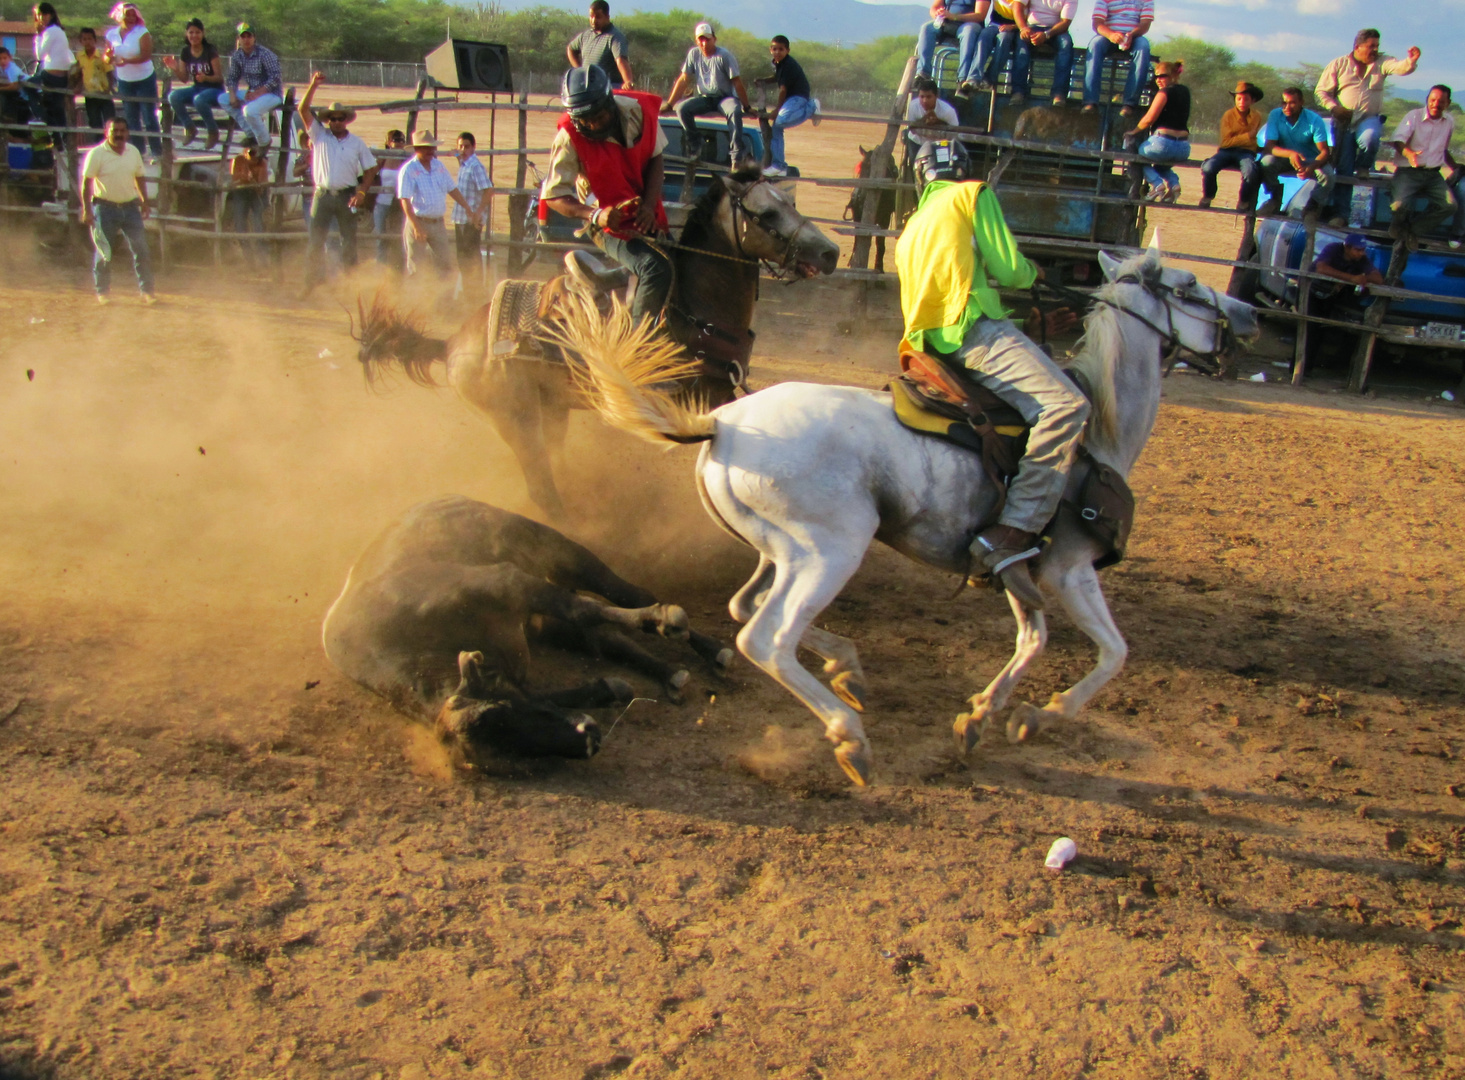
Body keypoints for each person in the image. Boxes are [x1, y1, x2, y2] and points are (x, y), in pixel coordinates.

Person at [895, 138, 1087, 609]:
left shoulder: (911, 228)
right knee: (1066, 406)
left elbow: (950, 293)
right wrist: (1032, 272)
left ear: (921, 178)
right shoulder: (972, 195)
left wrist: (1027, 328)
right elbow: (1009, 269)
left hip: (929, 346)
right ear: (962, 171)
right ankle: (1012, 531)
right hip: (973, 329)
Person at [543, 65, 671, 324]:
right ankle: (638, 344)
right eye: (583, 120)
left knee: (680, 260)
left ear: (610, 103)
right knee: (655, 268)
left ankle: (609, 278)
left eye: (598, 116)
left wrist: (648, 205)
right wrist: (595, 215)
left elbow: (657, 159)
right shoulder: (568, 137)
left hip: (644, 212)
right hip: (603, 222)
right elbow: (554, 196)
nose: (592, 124)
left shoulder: (640, 112)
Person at [1315, 29, 1421, 226]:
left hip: (1369, 117)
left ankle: (1364, 165)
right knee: (1344, 169)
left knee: (1371, 138)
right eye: (1371, 46)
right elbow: (1321, 92)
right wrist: (1334, 108)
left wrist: (1411, 61)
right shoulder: (1339, 64)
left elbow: (1400, 67)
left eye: (1377, 46)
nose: (1375, 50)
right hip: (1345, 120)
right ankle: (1341, 214)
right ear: (1358, 47)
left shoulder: (1382, 62)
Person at [297, 71, 379, 289]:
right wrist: (313, 85)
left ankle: (350, 284)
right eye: (332, 118)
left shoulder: (357, 143)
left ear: (345, 120)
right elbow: (302, 110)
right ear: (328, 120)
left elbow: (371, 168)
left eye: (340, 118)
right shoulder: (319, 135)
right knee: (315, 241)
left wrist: (361, 192)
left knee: (349, 242)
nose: (336, 121)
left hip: (347, 195)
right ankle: (311, 283)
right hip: (322, 194)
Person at [80, 116, 154, 304]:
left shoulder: (133, 152)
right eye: (115, 131)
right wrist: (87, 210)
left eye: (122, 131)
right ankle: (102, 292)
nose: (119, 134)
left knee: (141, 249)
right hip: (105, 208)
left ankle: (147, 292)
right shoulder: (96, 154)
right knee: (105, 251)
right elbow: (86, 183)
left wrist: (144, 201)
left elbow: (139, 177)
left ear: (127, 133)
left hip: (130, 207)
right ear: (107, 133)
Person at [662, 23, 752, 169]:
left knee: (734, 111)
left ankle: (736, 156)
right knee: (682, 109)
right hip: (705, 98)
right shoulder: (694, 54)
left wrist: (747, 106)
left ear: (714, 39)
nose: (704, 43)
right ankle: (695, 145)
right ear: (696, 40)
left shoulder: (724, 56)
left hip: (725, 97)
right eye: (701, 39)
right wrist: (670, 104)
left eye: (707, 39)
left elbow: (737, 83)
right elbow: (684, 79)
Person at [397, 129, 479, 278]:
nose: (431, 150)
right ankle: (415, 299)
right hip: (419, 221)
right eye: (426, 147)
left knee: (445, 264)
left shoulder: (438, 166)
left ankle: (443, 299)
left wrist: (467, 208)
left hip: (438, 223)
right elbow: (405, 200)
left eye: (432, 147)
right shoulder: (409, 170)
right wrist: (416, 226)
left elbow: (452, 188)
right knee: (416, 266)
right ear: (417, 149)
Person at [1388, 85, 1458, 247]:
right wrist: (1409, 154)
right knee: (1398, 206)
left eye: (1441, 101)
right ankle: (1400, 227)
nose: (1435, 104)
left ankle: (1412, 230)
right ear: (1427, 100)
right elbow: (1398, 141)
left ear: (1448, 103)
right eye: (1432, 100)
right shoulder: (1413, 116)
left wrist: (1455, 167)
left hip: (1433, 175)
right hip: (1408, 172)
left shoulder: (1449, 122)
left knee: (1449, 206)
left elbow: (1444, 149)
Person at [1257, 86, 1332, 216]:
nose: (1287, 107)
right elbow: (1270, 146)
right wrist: (1291, 154)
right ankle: (1275, 198)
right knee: (1265, 162)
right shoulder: (1275, 115)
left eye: (1292, 103)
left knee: (1328, 175)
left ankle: (1312, 206)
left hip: (1310, 159)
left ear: (1301, 103)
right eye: (1284, 103)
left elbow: (1324, 151)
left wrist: (1311, 166)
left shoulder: (1313, 120)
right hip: (1284, 158)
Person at [1126, 59, 1188, 203]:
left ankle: (1157, 185)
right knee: (1161, 166)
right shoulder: (1185, 91)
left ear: (1174, 75)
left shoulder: (1164, 93)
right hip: (1183, 148)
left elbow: (1149, 119)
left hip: (1163, 144)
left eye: (1163, 76)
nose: (1159, 80)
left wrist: (1133, 131)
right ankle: (1174, 184)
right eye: (1156, 77)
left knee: (1138, 157)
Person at [104, 2, 160, 158]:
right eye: (127, 14)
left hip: (144, 78)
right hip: (124, 80)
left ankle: (156, 151)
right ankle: (138, 151)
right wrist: (108, 57)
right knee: (132, 118)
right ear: (120, 15)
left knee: (149, 116)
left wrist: (127, 61)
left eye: (133, 14)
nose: (130, 17)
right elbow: (107, 56)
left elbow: (146, 55)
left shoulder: (142, 32)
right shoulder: (111, 34)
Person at [1198, 81, 1263, 209]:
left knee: (1250, 172)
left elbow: (1251, 141)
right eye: (1239, 99)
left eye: (1246, 99)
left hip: (1246, 152)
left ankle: (1243, 200)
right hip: (1226, 151)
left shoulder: (1257, 116)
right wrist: (1247, 136)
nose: (1242, 102)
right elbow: (1226, 142)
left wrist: (1241, 139)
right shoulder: (1228, 115)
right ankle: (1208, 195)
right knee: (1209, 167)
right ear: (1235, 100)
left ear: (1252, 101)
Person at [1082, 0, 1152, 114]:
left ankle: (1129, 103)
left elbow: (1145, 24)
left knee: (1143, 47)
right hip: (1108, 36)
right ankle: (1090, 101)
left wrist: (1131, 35)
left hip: (1134, 36)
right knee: (1094, 45)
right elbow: (1097, 23)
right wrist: (1111, 35)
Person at [162, 18, 222, 149]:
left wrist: (206, 78)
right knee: (173, 96)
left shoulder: (210, 50)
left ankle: (213, 131)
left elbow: (219, 78)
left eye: (197, 32)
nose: (194, 36)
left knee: (199, 100)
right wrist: (175, 68)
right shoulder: (185, 51)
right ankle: (190, 128)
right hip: (197, 87)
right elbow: (184, 78)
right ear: (187, 34)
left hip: (214, 89)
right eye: (191, 32)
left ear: (203, 34)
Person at [221, 23, 281, 148]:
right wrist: (232, 95)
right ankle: (251, 134)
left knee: (250, 111)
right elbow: (232, 78)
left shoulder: (265, 54)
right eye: (243, 36)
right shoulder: (238, 55)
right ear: (239, 39)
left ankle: (264, 142)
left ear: (254, 38)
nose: (246, 39)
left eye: (249, 36)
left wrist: (258, 93)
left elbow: (275, 77)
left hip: (271, 93)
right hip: (252, 92)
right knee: (223, 99)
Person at [763, 35, 813, 176]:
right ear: (770, 49)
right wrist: (763, 81)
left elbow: (783, 89)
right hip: (791, 99)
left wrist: (776, 110)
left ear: (787, 50)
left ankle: (812, 106)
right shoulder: (778, 64)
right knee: (777, 127)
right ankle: (780, 167)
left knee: (780, 121)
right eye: (774, 49)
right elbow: (777, 78)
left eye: (781, 49)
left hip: (798, 96)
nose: (777, 52)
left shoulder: (788, 64)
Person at [1011, 0, 1075, 107]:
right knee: (1021, 45)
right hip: (1031, 26)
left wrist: (1046, 35)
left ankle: (1059, 94)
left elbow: (1065, 22)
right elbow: (1017, 6)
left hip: (1056, 30)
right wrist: (1023, 28)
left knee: (1066, 44)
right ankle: (1018, 92)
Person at [453, 130, 491, 291]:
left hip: (470, 220)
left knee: (470, 257)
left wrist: (478, 213)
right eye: (460, 146)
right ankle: (471, 291)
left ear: (473, 147)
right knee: (463, 257)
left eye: (467, 146)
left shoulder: (475, 166)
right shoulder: (464, 165)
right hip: (461, 218)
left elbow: (489, 190)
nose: (463, 149)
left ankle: (474, 292)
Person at [33, 3, 75, 152]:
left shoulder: (50, 32)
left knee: (30, 93)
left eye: (43, 14)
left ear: (50, 15)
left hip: (50, 74)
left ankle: (56, 137)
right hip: (61, 76)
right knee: (56, 109)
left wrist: (38, 35)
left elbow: (40, 55)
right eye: (38, 15)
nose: (41, 18)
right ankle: (61, 140)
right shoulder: (59, 31)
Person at [916, 0, 985, 88]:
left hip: (968, 24)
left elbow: (980, 15)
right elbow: (934, 7)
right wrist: (937, 14)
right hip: (946, 22)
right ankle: (923, 73)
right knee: (926, 28)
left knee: (968, 32)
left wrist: (954, 17)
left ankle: (962, 79)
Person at [566, 1, 632, 90]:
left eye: (598, 17)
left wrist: (628, 81)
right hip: (588, 88)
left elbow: (620, 61)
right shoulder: (585, 36)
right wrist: (579, 70)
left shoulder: (615, 37)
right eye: (591, 16)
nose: (593, 20)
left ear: (607, 17)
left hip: (608, 87)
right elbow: (571, 49)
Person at [228, 132, 268, 266]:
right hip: (241, 193)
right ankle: (249, 259)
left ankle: (262, 258)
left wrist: (253, 181)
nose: (253, 153)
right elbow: (235, 178)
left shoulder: (262, 163)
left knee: (258, 225)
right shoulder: (238, 160)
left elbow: (262, 185)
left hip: (255, 193)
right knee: (240, 225)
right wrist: (245, 178)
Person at [966, 1, 1019, 100]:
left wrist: (1012, 27)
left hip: (1013, 27)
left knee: (1003, 40)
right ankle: (973, 78)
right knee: (984, 37)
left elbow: (1028, 19)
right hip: (994, 24)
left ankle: (989, 78)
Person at [73, 28, 115, 136]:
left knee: (109, 122)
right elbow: (79, 74)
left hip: (104, 94)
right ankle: (99, 145)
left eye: (90, 39)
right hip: (90, 94)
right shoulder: (79, 56)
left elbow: (109, 72)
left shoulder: (101, 55)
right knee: (94, 122)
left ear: (95, 40)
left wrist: (109, 88)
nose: (87, 42)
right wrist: (78, 87)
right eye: (84, 39)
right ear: (81, 41)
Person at [375, 129, 406, 266]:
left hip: (399, 203)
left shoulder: (406, 158)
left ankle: (398, 266)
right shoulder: (384, 157)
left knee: (399, 236)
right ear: (388, 142)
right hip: (382, 201)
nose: (399, 143)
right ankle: (381, 265)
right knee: (380, 236)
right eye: (396, 140)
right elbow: (371, 172)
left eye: (402, 140)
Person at [906, 76, 960, 151]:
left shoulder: (948, 111)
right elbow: (911, 129)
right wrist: (924, 119)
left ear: (936, 96)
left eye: (929, 97)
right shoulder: (913, 106)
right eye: (922, 97)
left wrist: (938, 122)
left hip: (940, 144)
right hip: (917, 142)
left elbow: (955, 133)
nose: (924, 101)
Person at [0, 46, 33, 132]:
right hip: (21, 92)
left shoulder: (12, 69)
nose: (2, 61)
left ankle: (8, 115)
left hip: (29, 92)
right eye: (0, 59)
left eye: (4, 58)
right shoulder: (4, 68)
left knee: (3, 93)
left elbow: (15, 87)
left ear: (10, 57)